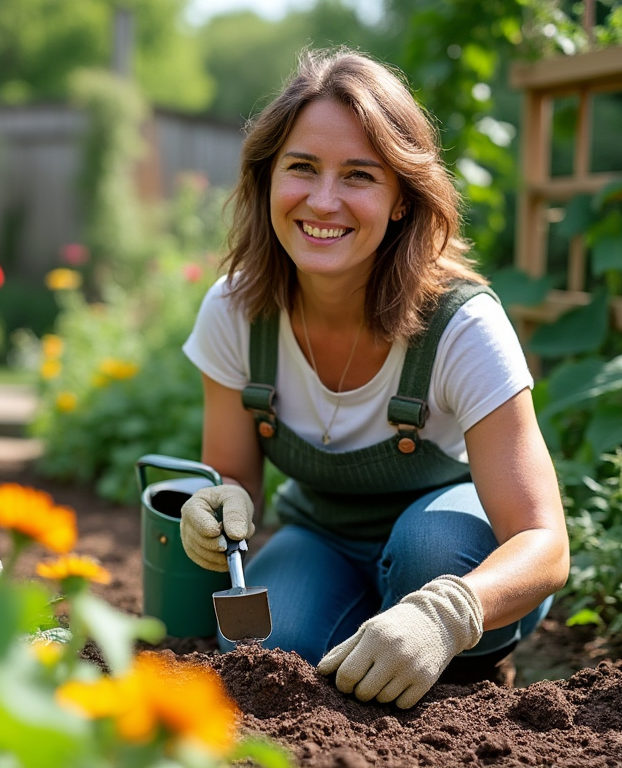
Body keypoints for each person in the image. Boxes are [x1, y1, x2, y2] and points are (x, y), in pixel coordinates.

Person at [178, 48, 568, 709]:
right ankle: (371, 638)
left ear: (399, 202)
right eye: (302, 168)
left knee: (430, 551)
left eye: (359, 175)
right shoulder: (236, 311)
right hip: (321, 539)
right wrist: (218, 507)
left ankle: (468, 687)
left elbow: (544, 542)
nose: (322, 201)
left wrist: (447, 612)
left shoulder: (462, 325)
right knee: (267, 653)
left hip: (450, 551)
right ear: (268, 178)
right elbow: (234, 477)